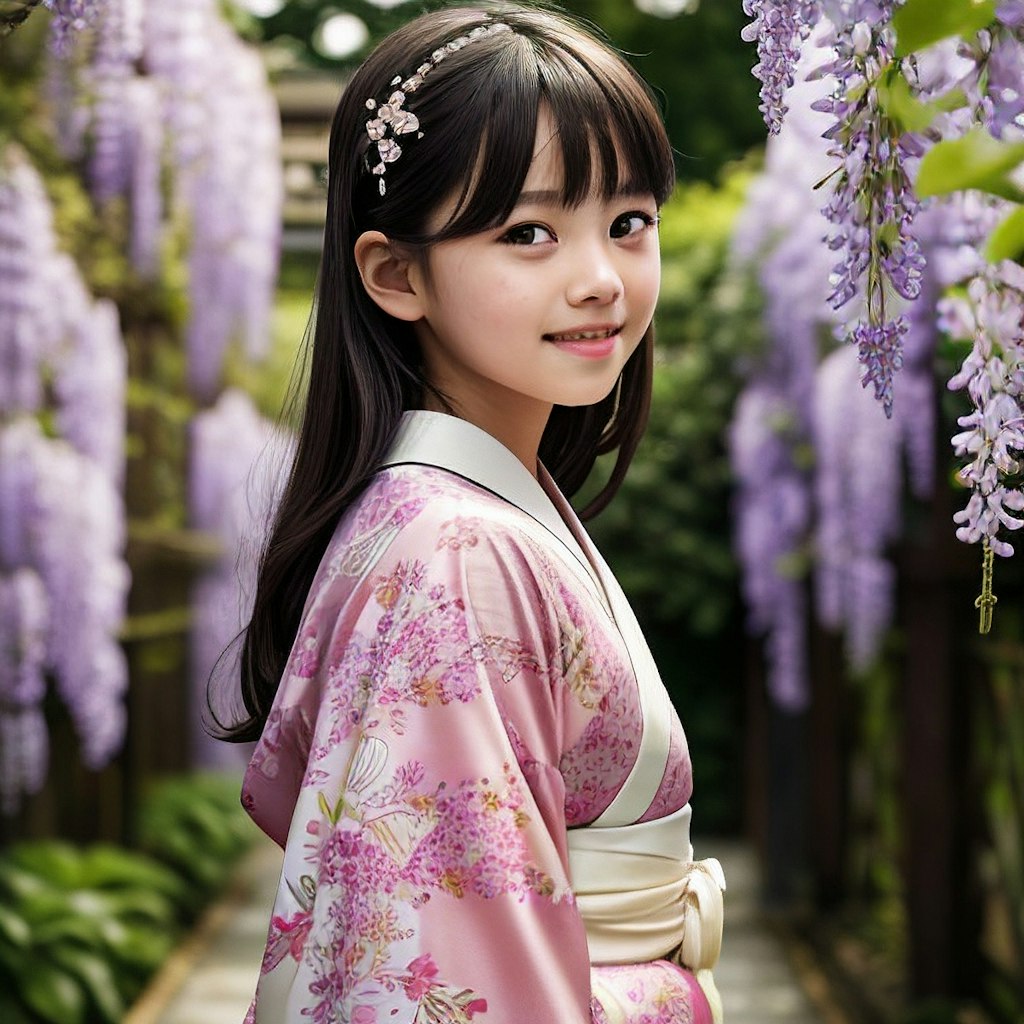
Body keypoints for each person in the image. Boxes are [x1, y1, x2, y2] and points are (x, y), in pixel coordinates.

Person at [224, 3, 726, 1021]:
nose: (599, 280)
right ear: (395, 273)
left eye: (628, 223)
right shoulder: (455, 551)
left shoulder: (464, 511)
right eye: (528, 233)